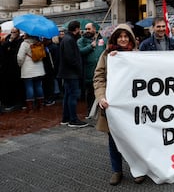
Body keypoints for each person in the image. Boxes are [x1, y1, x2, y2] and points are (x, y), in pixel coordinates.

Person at [93, 24, 145, 186]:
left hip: (133, 106)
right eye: (120, 36)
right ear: (115, 38)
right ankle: (117, 171)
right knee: (114, 140)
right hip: (113, 106)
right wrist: (101, 97)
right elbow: (99, 77)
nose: (123, 39)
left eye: (126, 36)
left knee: (135, 139)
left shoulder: (138, 55)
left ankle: (137, 169)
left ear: (130, 38)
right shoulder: (107, 55)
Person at [57, 20, 88, 127]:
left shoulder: (67, 38)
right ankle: (73, 119)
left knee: (68, 95)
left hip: (67, 73)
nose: (80, 31)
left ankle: (66, 118)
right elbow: (70, 58)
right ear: (76, 29)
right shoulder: (69, 40)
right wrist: (78, 68)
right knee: (72, 96)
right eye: (79, 28)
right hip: (71, 73)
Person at [77, 22, 106, 114]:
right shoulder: (81, 41)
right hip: (89, 71)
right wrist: (90, 47)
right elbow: (79, 52)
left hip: (101, 70)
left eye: (89, 29)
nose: (86, 31)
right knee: (90, 92)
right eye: (85, 29)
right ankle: (90, 111)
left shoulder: (102, 39)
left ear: (94, 29)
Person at [16, 33, 46, 111]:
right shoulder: (39, 42)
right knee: (39, 86)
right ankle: (41, 106)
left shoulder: (25, 43)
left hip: (28, 69)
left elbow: (20, 57)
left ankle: (30, 107)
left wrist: (20, 65)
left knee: (29, 87)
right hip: (39, 69)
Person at [1, 28, 24, 111]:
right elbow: (4, 49)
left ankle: (20, 102)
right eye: (12, 32)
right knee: (9, 86)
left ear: (18, 33)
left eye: (15, 32)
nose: (13, 33)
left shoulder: (21, 41)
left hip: (17, 67)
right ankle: (10, 103)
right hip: (7, 67)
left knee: (19, 85)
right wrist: (10, 41)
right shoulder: (8, 39)